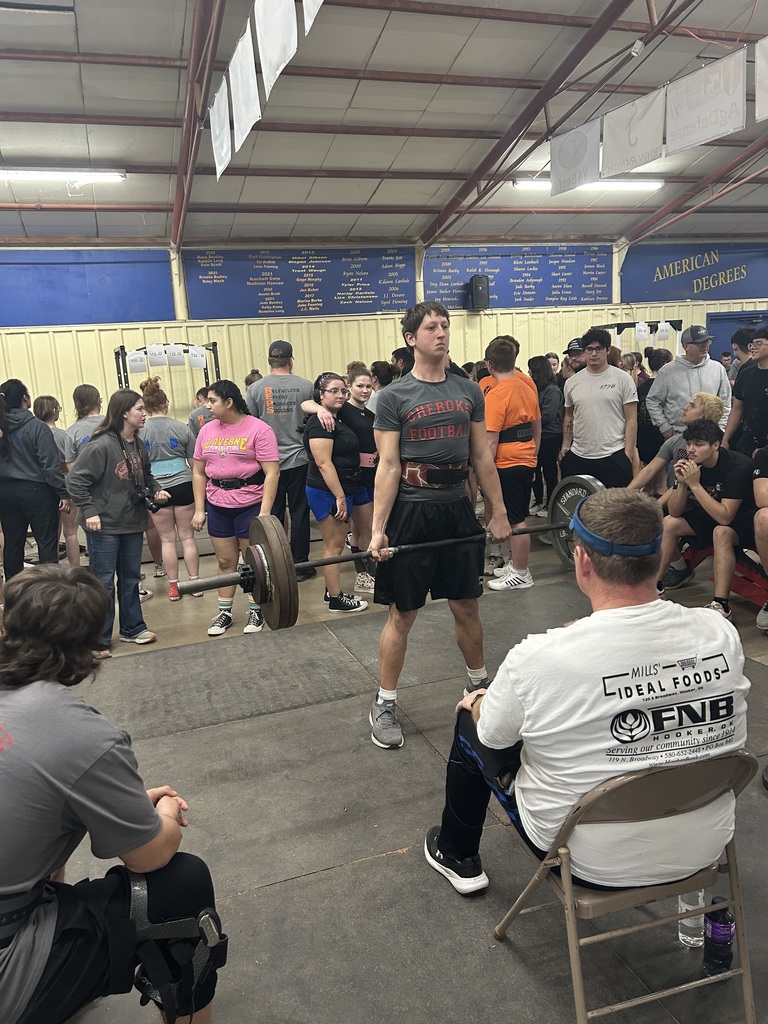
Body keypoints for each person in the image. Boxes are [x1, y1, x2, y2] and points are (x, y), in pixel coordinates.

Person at [423, 488, 750, 896]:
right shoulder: (720, 632)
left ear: (582, 561)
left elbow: (493, 736)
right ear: (657, 556)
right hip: (704, 845)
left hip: (591, 863)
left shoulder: (539, 657)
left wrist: (480, 702)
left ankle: (457, 855)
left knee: (472, 719)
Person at [0, 564, 227, 1024]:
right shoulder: (82, 735)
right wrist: (162, 814)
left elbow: (28, 792)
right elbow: (150, 857)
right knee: (183, 883)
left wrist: (119, 802)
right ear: (87, 649)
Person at [369, 301, 512, 749]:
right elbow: (389, 466)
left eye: (445, 325)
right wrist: (377, 530)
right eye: (431, 327)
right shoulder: (393, 397)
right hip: (411, 512)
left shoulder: (468, 390)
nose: (441, 332)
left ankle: (480, 688)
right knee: (403, 613)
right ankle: (385, 702)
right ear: (411, 338)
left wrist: (499, 510)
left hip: (455, 508)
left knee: (467, 605)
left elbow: (482, 456)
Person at [66, 390, 171, 654]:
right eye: (139, 409)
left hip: (132, 521)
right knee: (102, 582)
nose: (144, 413)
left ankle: (132, 628)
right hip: (105, 524)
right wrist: (90, 512)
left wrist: (156, 489)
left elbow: (146, 475)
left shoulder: (137, 443)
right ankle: (98, 639)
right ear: (124, 413)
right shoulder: (100, 445)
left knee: (131, 579)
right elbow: (75, 481)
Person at [192, 379, 279, 637]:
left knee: (252, 563)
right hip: (218, 504)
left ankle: (256, 609)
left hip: (249, 504)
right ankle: (225, 612)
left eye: (212, 401)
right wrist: (200, 509)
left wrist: (264, 513)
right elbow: (198, 472)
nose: (206, 406)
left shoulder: (259, 430)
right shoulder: (207, 431)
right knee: (225, 561)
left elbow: (272, 473)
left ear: (229, 403)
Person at [656, 419, 755, 598]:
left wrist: (694, 485)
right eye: (689, 444)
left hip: (741, 519)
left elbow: (725, 518)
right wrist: (681, 483)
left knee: (721, 530)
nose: (691, 450)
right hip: (712, 513)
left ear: (715, 445)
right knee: (669, 523)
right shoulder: (691, 461)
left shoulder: (737, 466)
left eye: (699, 444)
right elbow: (675, 511)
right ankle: (655, 587)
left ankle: (721, 604)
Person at [303, 365, 377, 593]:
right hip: (334, 488)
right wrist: (320, 410)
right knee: (334, 544)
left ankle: (363, 576)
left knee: (368, 530)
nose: (364, 390)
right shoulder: (336, 413)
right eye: (358, 386)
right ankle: (335, 595)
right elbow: (324, 462)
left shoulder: (360, 414)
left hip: (359, 481)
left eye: (368, 386)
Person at [245, 340, 315, 579]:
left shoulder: (255, 390)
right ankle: (300, 564)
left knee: (272, 514)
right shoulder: (306, 386)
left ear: (269, 361)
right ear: (291, 360)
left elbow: (250, 426)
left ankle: (274, 562)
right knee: (299, 512)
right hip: (300, 459)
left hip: (268, 463)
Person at [481, 337, 541, 591]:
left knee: (515, 519)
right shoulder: (527, 387)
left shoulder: (496, 395)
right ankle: (515, 563)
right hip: (526, 458)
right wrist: (533, 455)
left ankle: (521, 572)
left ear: (489, 364)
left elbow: (491, 440)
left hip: (506, 463)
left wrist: (486, 472)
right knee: (515, 515)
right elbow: (537, 426)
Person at [139, 376, 201, 601]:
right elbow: (195, 465)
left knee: (167, 540)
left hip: (157, 489)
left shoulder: (140, 432)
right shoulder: (180, 428)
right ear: (167, 403)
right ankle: (195, 583)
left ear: (145, 407)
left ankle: (173, 587)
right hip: (184, 484)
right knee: (187, 538)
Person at [0, 379, 69, 580]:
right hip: (37, 493)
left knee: (13, 543)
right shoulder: (37, 428)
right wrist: (62, 493)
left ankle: (14, 592)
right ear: (25, 398)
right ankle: (49, 590)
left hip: (5, 492)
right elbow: (50, 466)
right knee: (46, 543)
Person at [559, 328, 637, 489]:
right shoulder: (572, 383)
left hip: (613, 455)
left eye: (598, 348)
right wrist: (566, 445)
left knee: (614, 510)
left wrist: (627, 453)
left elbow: (631, 419)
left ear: (607, 350)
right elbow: (569, 416)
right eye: (589, 349)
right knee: (580, 509)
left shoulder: (623, 379)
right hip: (579, 455)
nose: (594, 353)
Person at [645, 325, 730, 438]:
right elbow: (653, 400)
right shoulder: (668, 371)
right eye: (698, 343)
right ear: (685, 346)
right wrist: (664, 426)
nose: (704, 345)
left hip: (709, 437)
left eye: (707, 341)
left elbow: (725, 403)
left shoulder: (717, 369)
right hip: (678, 435)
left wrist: (719, 429)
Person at [33, 394, 81, 567]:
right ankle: (75, 570)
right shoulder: (64, 435)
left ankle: (52, 571)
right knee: (71, 533)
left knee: (50, 535)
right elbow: (70, 462)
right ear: (54, 411)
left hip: (44, 486)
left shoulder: (33, 434)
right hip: (66, 482)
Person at [527, 355, 563, 518]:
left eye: (532, 370)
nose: (529, 373)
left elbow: (547, 416)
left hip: (550, 436)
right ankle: (538, 501)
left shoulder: (553, 391)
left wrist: (529, 418)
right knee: (534, 468)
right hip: (536, 434)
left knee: (549, 470)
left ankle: (551, 504)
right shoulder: (534, 389)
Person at [723, 325, 768, 457]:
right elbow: (737, 410)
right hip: (747, 442)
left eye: (759, 344)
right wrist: (725, 439)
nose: (753, 348)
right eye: (752, 344)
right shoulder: (745, 373)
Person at [635, 347, 673, 469]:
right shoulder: (666, 386)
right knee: (662, 477)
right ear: (665, 364)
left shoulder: (641, 386)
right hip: (661, 436)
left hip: (643, 438)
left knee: (649, 475)